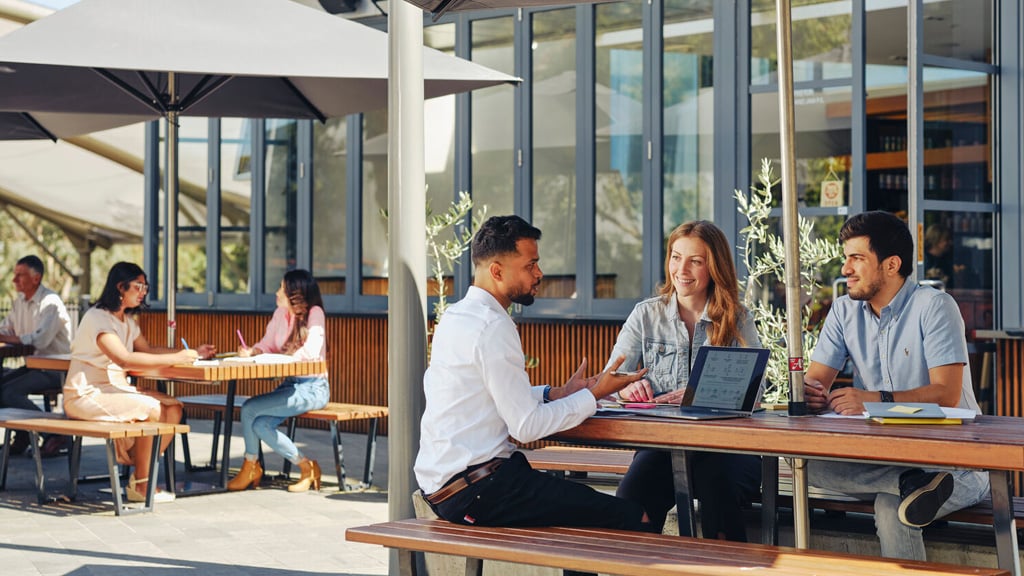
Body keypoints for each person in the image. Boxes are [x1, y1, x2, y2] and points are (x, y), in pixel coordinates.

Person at [415, 214, 651, 537]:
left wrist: (555, 394)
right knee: (632, 516)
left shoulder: (456, 316)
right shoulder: (493, 327)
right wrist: (593, 395)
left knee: (580, 510)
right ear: (496, 271)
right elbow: (526, 427)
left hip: (450, 487)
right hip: (478, 489)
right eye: (530, 265)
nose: (539, 274)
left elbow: (488, 395)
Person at [803, 211, 989, 561]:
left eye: (857, 259)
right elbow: (816, 380)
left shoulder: (934, 307)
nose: (846, 269)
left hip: (955, 464)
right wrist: (809, 393)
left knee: (893, 509)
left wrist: (871, 401)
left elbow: (946, 393)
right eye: (846, 259)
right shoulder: (844, 311)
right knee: (806, 464)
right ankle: (907, 479)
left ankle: (908, 483)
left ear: (891, 265)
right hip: (886, 459)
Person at [606, 220, 763, 540]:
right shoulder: (645, 315)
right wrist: (626, 387)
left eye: (696, 260)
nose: (682, 269)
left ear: (714, 267)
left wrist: (702, 396)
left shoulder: (737, 318)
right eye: (676, 257)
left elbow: (755, 394)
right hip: (663, 448)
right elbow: (610, 382)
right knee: (630, 504)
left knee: (717, 491)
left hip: (727, 449)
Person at [63, 262, 214, 503]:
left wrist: (193, 352)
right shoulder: (97, 318)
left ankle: (139, 471)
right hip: (86, 394)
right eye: (139, 286)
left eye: (146, 286)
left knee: (173, 408)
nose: (143, 291)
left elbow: (149, 350)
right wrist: (178, 357)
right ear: (120, 287)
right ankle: (142, 486)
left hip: (115, 389)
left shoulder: (127, 321)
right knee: (151, 408)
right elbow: (124, 359)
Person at [226, 269, 329, 493]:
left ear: (294, 294)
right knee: (259, 423)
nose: (277, 292)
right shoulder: (280, 314)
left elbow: (311, 351)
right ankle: (307, 467)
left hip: (313, 387)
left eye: (282, 288)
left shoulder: (315, 313)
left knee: (250, 408)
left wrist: (285, 359)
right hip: (291, 385)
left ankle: (251, 466)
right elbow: (267, 344)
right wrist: (253, 350)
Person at [0, 255, 73, 457]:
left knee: (8, 393)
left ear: (36, 278)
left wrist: (9, 337)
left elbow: (39, 341)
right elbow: (5, 329)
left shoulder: (51, 303)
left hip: (55, 369)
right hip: (33, 366)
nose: (14, 280)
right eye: (14, 275)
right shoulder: (20, 303)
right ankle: (23, 434)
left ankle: (54, 434)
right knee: (2, 387)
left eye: (20, 275)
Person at [923, 222, 955, 289]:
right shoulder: (922, 261)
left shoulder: (947, 260)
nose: (950, 243)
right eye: (946, 239)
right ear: (936, 240)